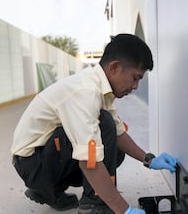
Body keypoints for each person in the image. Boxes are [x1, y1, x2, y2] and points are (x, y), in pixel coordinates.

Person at [11, 33, 178, 214]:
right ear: (115, 67)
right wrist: (123, 209)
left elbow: (119, 134)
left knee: (114, 146)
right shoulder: (86, 92)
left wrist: (150, 160)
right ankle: (93, 206)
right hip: (32, 164)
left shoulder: (99, 87)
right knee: (102, 127)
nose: (136, 86)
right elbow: (88, 160)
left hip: (41, 160)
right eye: (135, 77)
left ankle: (47, 191)